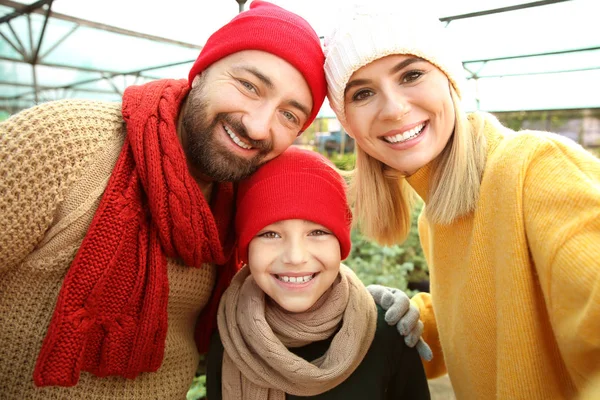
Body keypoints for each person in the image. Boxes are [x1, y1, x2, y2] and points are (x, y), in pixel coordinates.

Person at [0, 1, 328, 398]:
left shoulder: (240, 207)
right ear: (202, 70)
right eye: (248, 85)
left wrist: (375, 307)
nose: (259, 126)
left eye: (289, 115)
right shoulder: (67, 141)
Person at [323, 1, 600, 399]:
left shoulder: (533, 166)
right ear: (348, 121)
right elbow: (495, 316)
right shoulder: (434, 214)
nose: (395, 108)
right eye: (363, 93)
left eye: (412, 74)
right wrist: (419, 319)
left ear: (450, 81)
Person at [206, 146, 431, 399]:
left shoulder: (388, 332)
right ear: (246, 249)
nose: (295, 257)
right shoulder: (229, 333)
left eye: (317, 232)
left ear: (341, 245)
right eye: (270, 234)